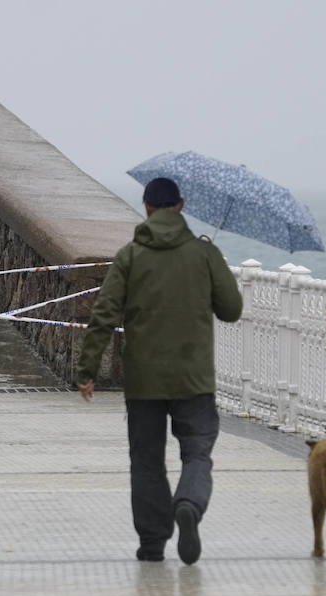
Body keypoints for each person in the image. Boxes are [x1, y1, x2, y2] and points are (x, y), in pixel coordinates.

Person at [75, 177, 242, 565]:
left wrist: (87, 371)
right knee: (197, 452)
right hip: (194, 380)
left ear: (147, 207)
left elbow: (103, 316)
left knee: (147, 460)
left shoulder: (130, 255)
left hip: (143, 382)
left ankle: (152, 543)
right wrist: (212, 268)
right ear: (180, 206)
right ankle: (188, 504)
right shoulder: (203, 254)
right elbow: (232, 309)